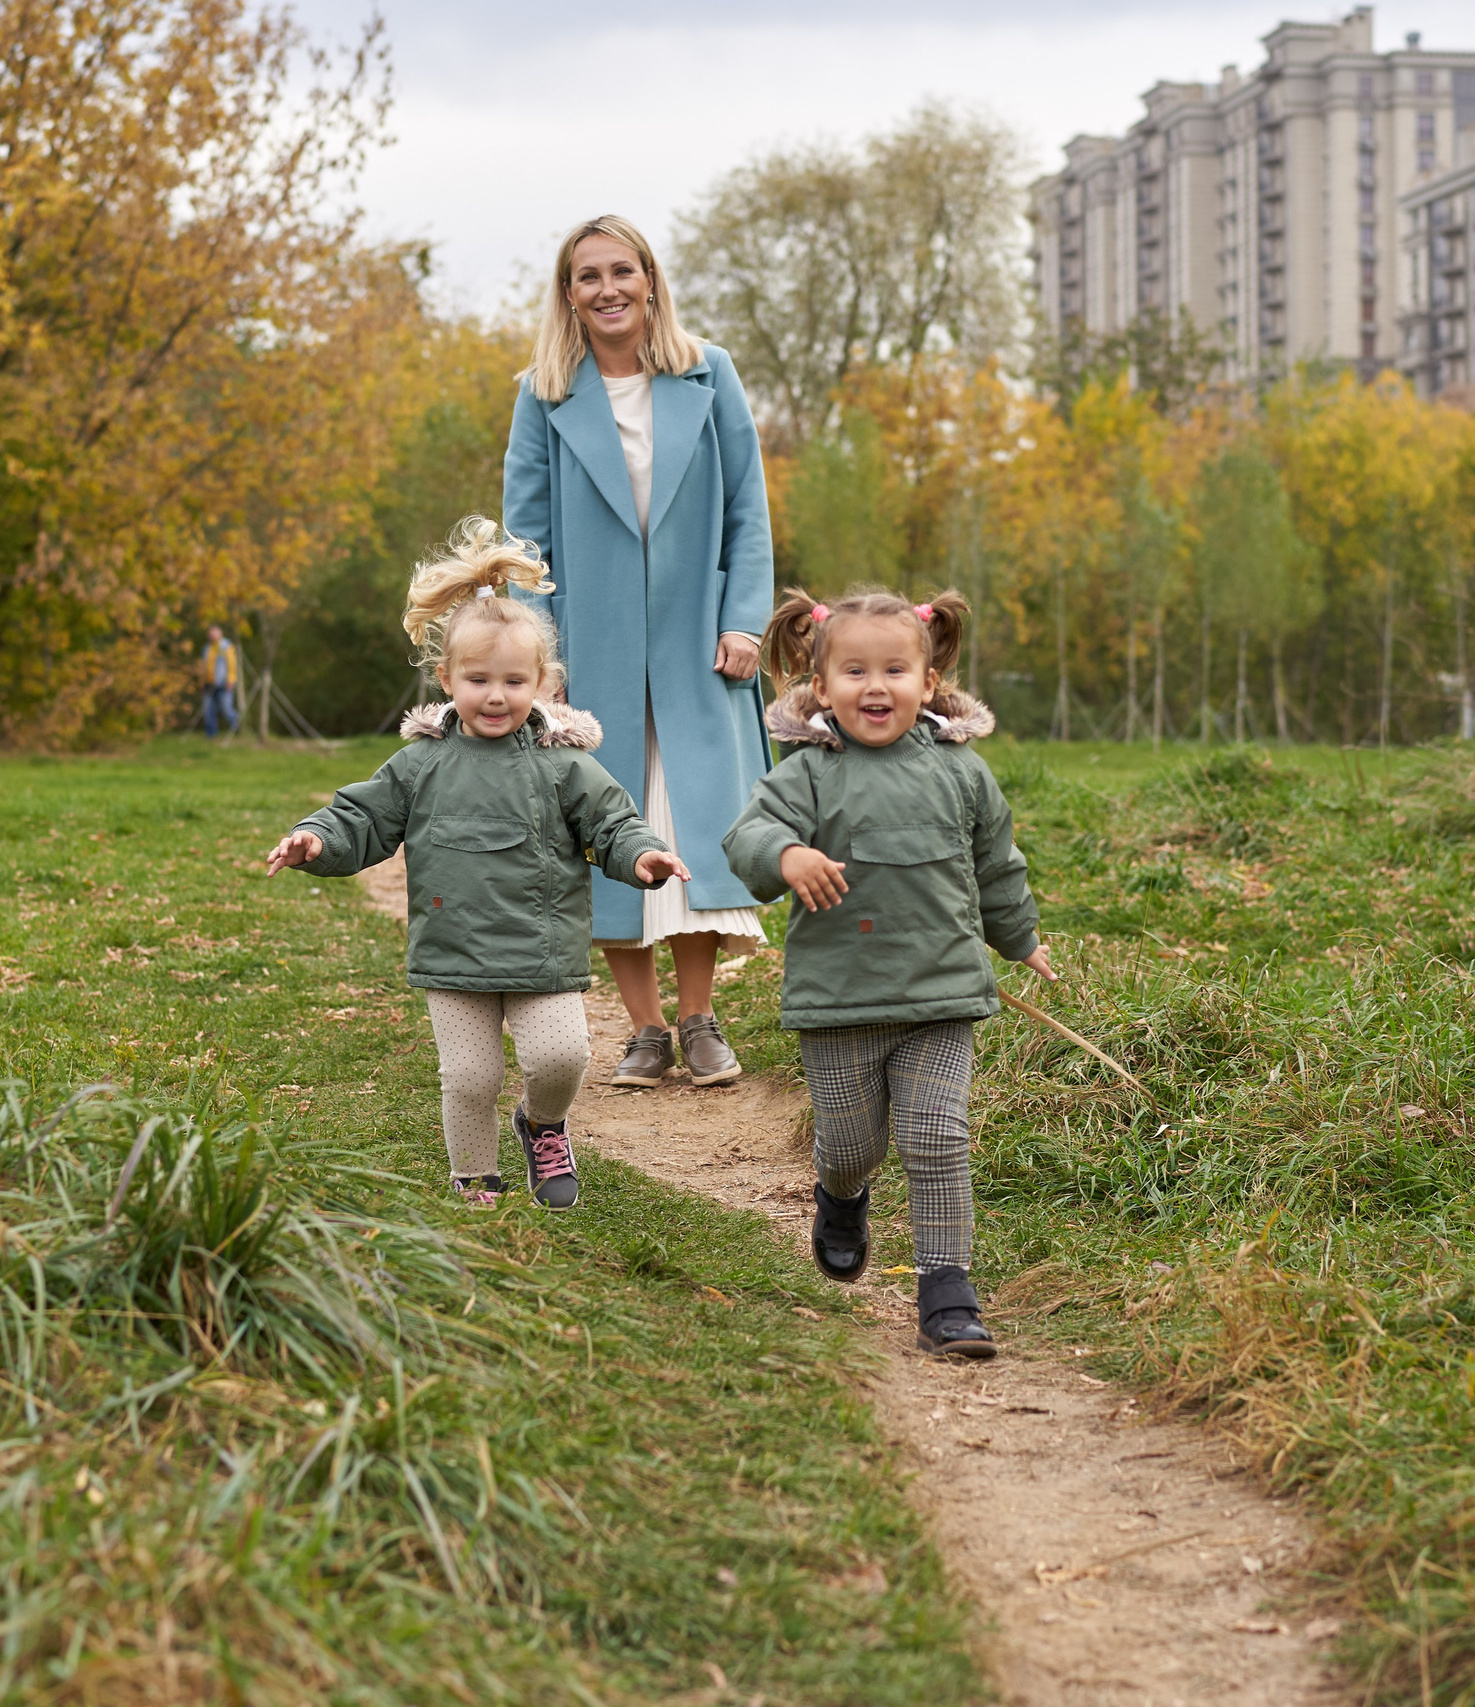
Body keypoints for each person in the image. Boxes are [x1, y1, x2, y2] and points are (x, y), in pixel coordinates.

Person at [266, 518, 687, 1209]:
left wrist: (642, 855)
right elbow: (363, 816)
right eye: (479, 679)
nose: (496, 695)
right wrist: (317, 839)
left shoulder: (563, 765)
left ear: (545, 685)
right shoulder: (421, 762)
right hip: (454, 949)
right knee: (469, 1077)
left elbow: (612, 821)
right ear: (446, 678)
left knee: (561, 1057)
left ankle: (543, 1123)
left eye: (514, 680)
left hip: (541, 948)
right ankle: (475, 1186)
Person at [723, 588, 1053, 1359]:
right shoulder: (806, 774)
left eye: (896, 669)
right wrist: (787, 854)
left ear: (929, 681)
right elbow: (748, 836)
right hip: (839, 1003)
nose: (877, 686)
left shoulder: (963, 772)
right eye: (856, 671)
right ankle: (841, 1197)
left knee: (937, 1137)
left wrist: (1019, 938)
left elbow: (996, 864)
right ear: (821, 686)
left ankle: (948, 1291)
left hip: (940, 998)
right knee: (848, 1145)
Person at [504, 215, 773, 1092]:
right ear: (569, 294)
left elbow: (748, 512)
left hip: (699, 637)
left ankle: (699, 1019)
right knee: (607, 826)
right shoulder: (544, 394)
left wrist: (745, 619)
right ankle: (645, 1029)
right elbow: (525, 538)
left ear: (650, 280)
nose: (608, 288)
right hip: (595, 649)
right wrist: (536, 654)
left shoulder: (708, 373)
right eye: (588, 276)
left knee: (696, 817)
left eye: (623, 270)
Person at [198, 625, 241, 738]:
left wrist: (231, 680)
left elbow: (232, 665)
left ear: (220, 633)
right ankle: (211, 735)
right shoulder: (207, 648)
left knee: (226, 707)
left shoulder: (226, 646)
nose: (212, 635)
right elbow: (203, 666)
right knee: (208, 710)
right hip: (209, 684)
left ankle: (238, 729)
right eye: (210, 633)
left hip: (223, 684)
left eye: (214, 633)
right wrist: (202, 682)